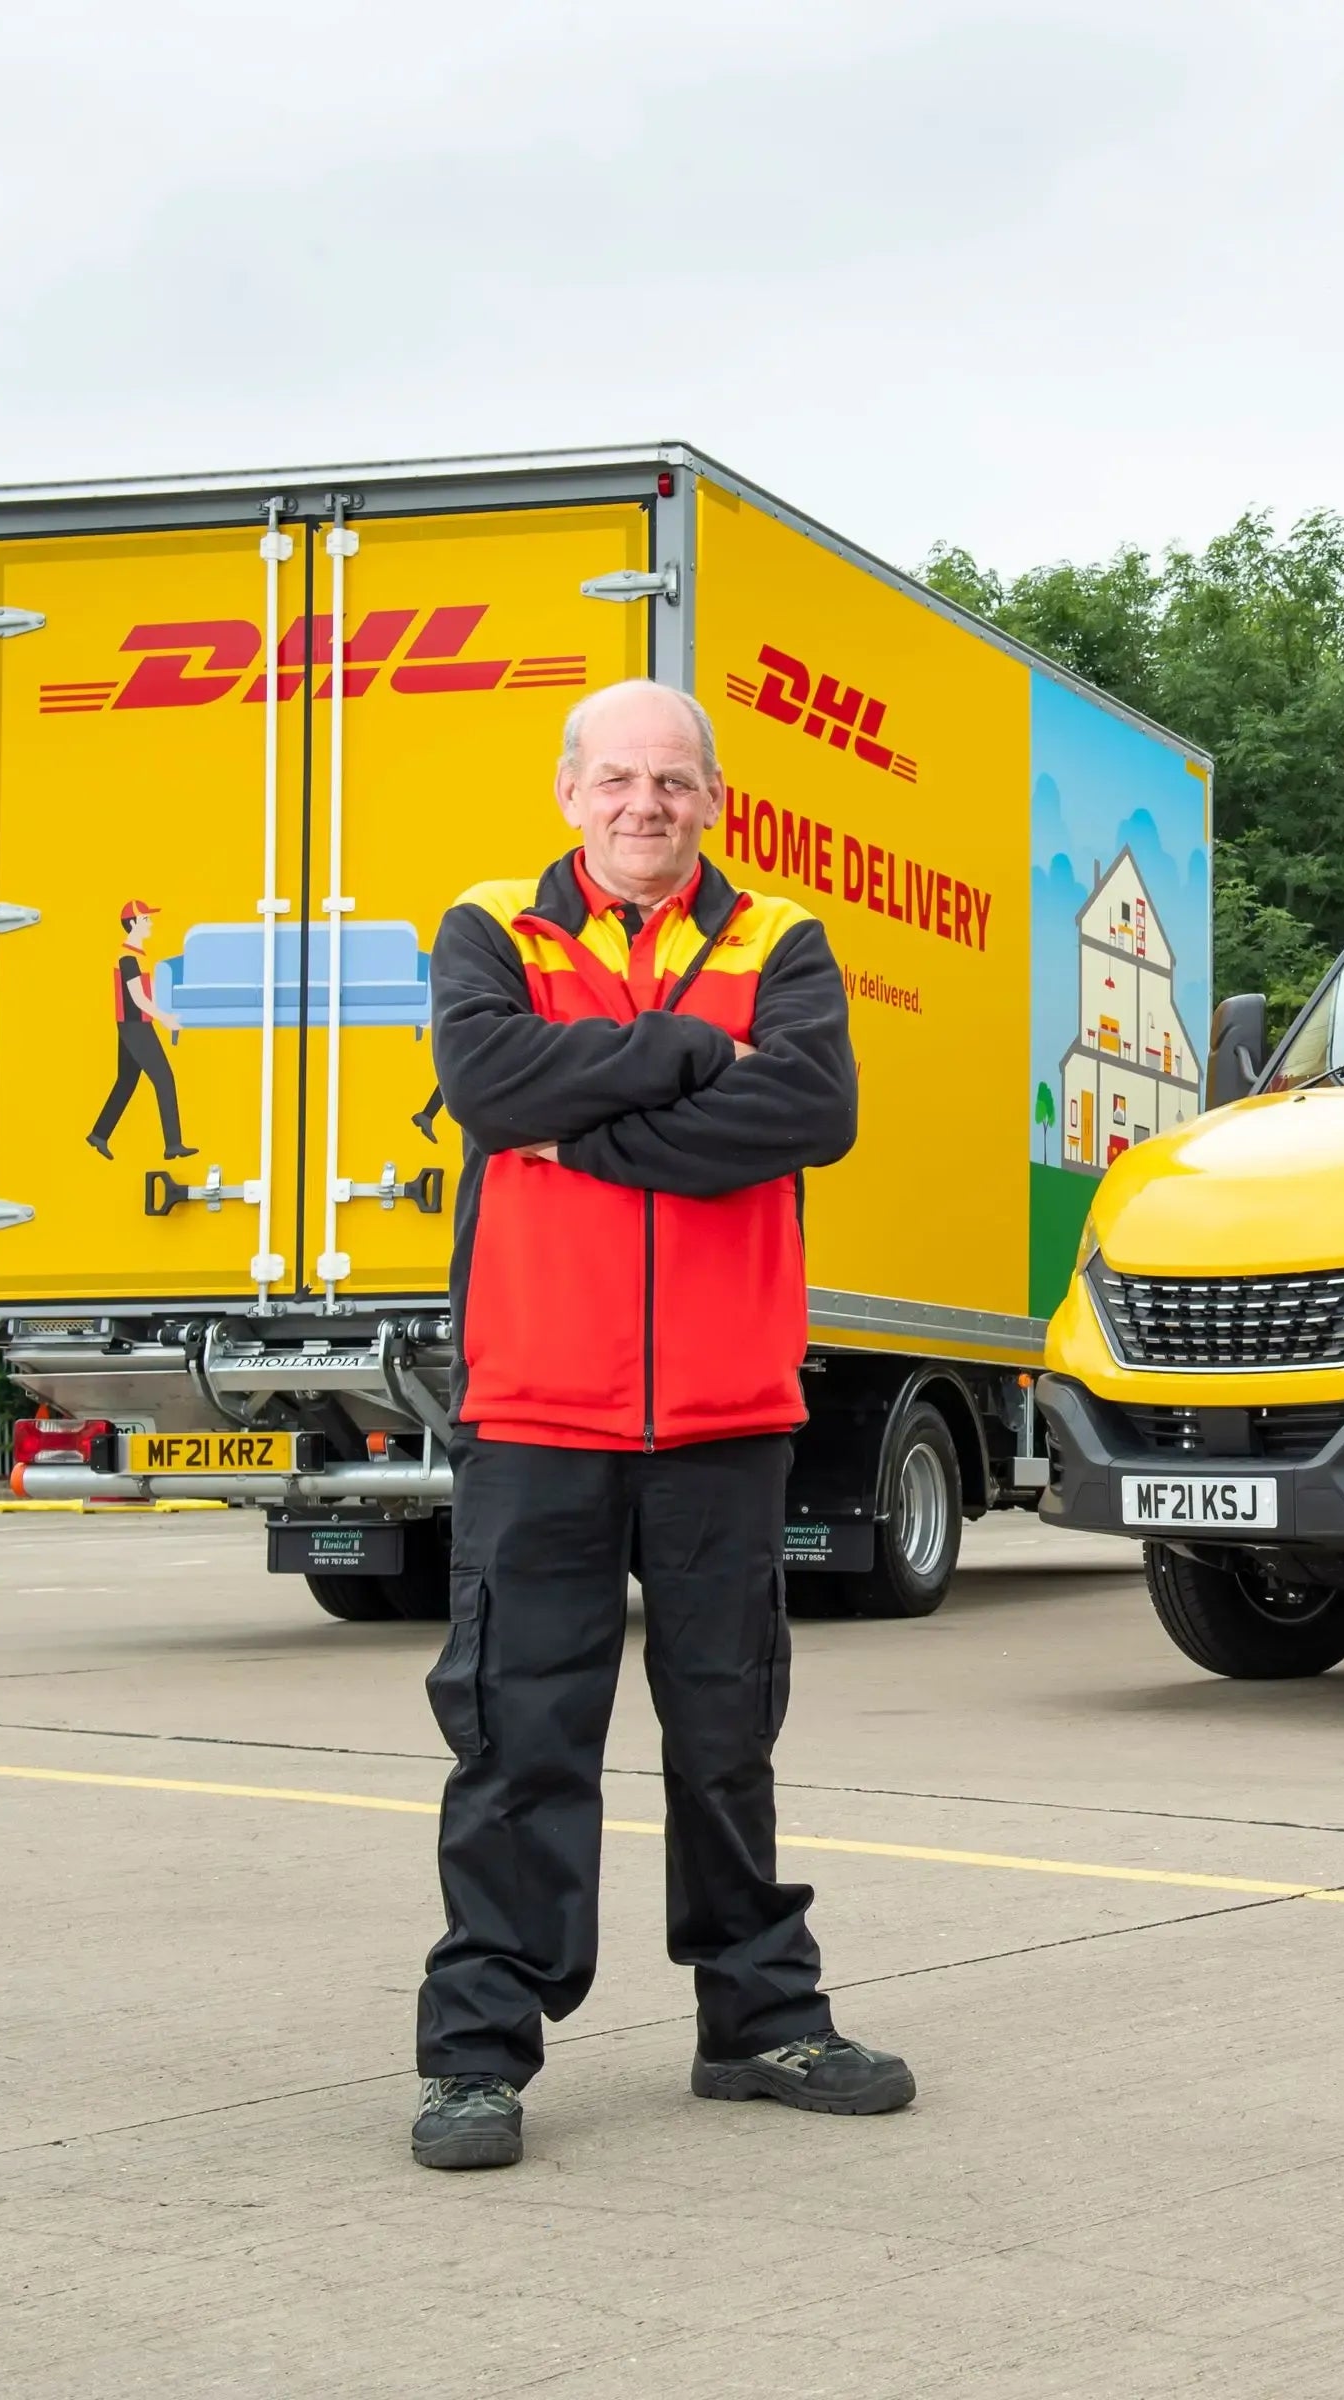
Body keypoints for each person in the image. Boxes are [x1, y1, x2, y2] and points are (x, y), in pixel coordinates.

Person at [407, 677, 898, 2171]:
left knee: (727, 1734)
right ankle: (477, 2058)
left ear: (713, 800)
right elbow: (486, 1082)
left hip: (724, 1413)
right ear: (570, 792)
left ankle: (758, 2023)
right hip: (536, 1409)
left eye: (674, 781)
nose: (645, 804)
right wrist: (693, 1057)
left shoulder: (779, 938)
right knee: (519, 1740)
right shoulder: (492, 925)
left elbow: (810, 1114)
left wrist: (581, 1134)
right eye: (618, 778)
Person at [88, 899, 196, 1161]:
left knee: (126, 1081)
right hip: (135, 1026)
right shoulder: (128, 957)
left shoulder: (138, 954)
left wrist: (167, 1010)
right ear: (133, 923)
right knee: (164, 1079)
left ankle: (99, 1135)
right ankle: (173, 1145)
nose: (150, 923)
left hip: (133, 1024)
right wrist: (165, 1019)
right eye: (146, 919)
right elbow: (138, 998)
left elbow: (149, 992)